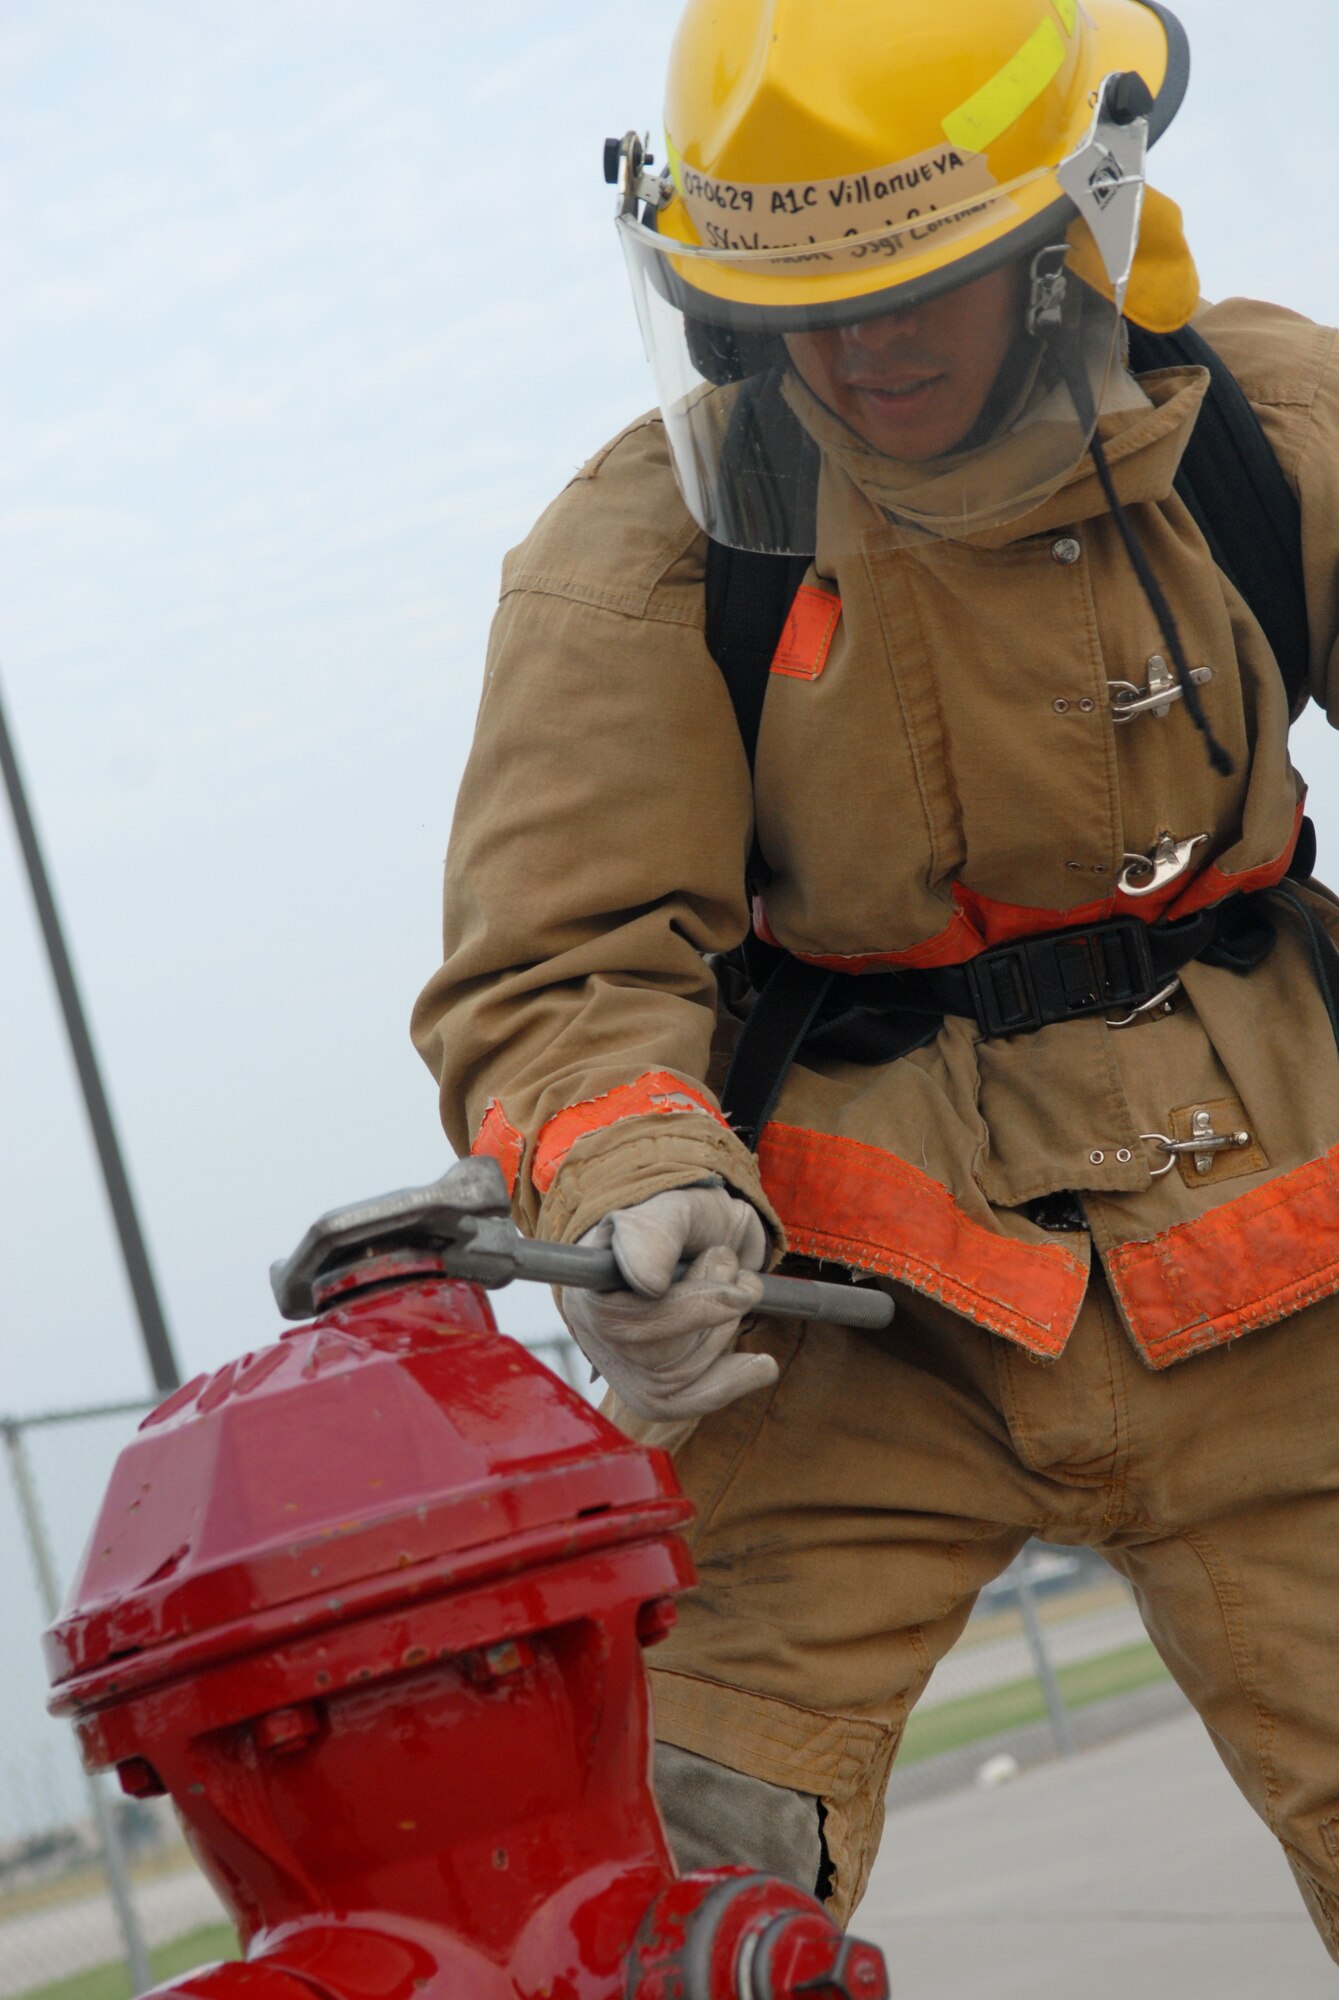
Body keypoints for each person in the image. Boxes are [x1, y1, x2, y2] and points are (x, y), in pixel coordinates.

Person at [412, 0, 1339, 1959]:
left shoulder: (1269, 435)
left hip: (1291, 1263)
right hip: (849, 1319)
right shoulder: (649, 548)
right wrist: (637, 1183)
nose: (859, 351)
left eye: (917, 287)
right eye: (800, 306)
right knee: (654, 1888)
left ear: (1064, 233)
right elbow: (561, 958)